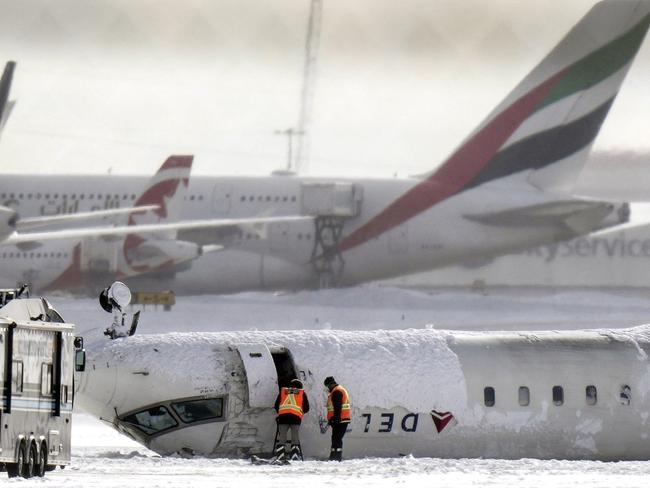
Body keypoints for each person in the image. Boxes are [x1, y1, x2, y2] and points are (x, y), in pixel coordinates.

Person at [274, 378, 310, 461]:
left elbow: (276, 405)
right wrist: (300, 412)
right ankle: (294, 456)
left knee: (282, 437)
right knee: (295, 437)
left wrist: (281, 412)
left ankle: (280, 456)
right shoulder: (302, 393)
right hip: (295, 418)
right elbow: (306, 408)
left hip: (283, 417)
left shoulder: (283, 392)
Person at [324, 376, 351, 461]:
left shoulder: (337, 392)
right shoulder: (340, 389)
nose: (328, 388)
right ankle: (334, 456)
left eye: (328, 386)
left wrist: (336, 418)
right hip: (341, 419)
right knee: (336, 437)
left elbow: (337, 406)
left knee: (337, 438)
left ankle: (336, 457)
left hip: (340, 420)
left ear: (331, 384)